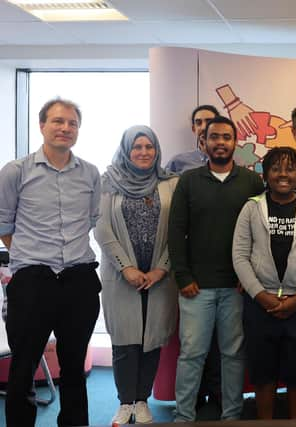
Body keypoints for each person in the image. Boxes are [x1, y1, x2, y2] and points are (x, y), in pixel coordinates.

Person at [0, 98, 101, 427]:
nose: (65, 128)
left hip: (79, 281)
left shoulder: (90, 173)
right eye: (58, 121)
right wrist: (30, 256)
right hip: (33, 282)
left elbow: (90, 219)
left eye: (72, 123)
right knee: (23, 367)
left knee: (73, 368)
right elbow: (4, 224)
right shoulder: (16, 171)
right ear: (42, 126)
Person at [168, 115, 264, 422]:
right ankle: (184, 416)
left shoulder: (252, 182)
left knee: (233, 355)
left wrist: (249, 278)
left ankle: (231, 415)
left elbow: (260, 234)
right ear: (203, 142)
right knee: (192, 355)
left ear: (236, 142)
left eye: (226, 137)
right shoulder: (189, 180)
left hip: (237, 287)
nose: (220, 142)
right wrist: (183, 276)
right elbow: (176, 230)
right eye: (214, 137)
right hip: (195, 287)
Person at [232, 147, 296, 419]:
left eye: (289, 169)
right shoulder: (251, 208)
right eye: (276, 168)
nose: (283, 175)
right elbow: (239, 257)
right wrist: (261, 296)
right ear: (265, 174)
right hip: (260, 306)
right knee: (263, 376)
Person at [94, 125, 178, 424]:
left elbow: (179, 231)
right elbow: (102, 228)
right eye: (137, 147)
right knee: (125, 341)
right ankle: (125, 402)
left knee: (151, 339)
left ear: (157, 150)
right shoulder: (108, 182)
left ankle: (142, 400)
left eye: (149, 147)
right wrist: (125, 266)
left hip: (159, 277)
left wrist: (161, 268)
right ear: (127, 150)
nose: (144, 152)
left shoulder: (170, 183)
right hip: (121, 277)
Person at [165, 104, 222, 412]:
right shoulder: (178, 163)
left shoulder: (234, 168)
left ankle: (218, 396)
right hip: (188, 262)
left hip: (223, 266)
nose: (203, 127)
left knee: (222, 343)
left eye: (209, 122)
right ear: (193, 128)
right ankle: (191, 401)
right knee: (192, 342)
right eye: (198, 122)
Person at [165, 105, 219, 174]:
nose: (203, 127)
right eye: (199, 123)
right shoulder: (177, 162)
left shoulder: (230, 161)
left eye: (209, 122)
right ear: (194, 129)